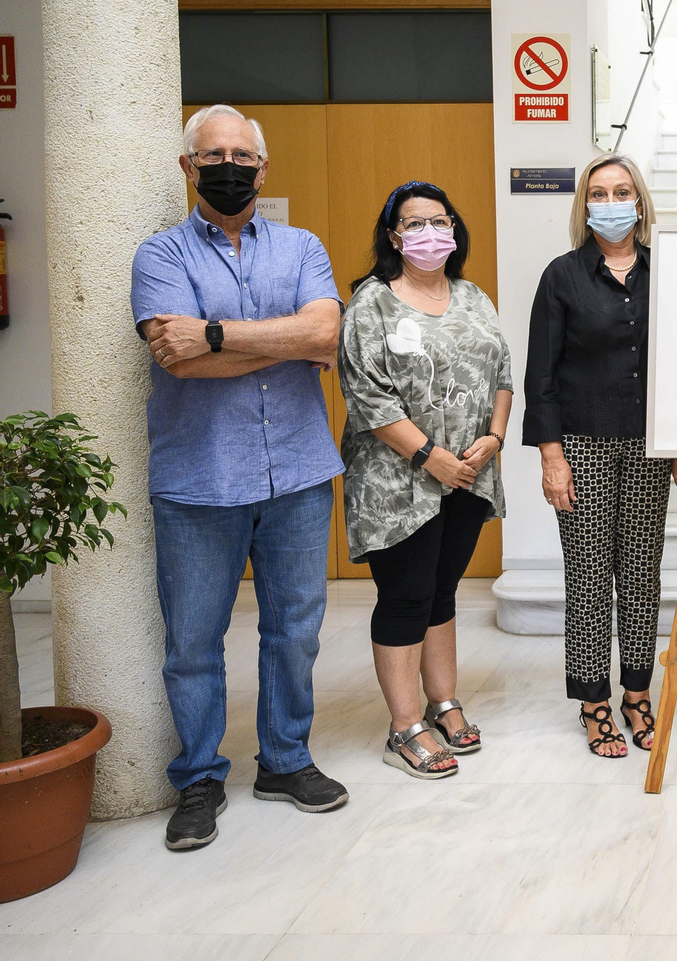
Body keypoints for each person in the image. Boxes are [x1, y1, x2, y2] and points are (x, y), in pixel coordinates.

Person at [131, 104, 348, 851]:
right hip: (198, 480)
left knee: (296, 631)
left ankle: (285, 760)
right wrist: (286, 341)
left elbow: (326, 333)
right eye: (213, 153)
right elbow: (175, 355)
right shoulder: (160, 256)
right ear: (189, 168)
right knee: (193, 642)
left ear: (264, 166)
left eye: (242, 154)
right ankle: (197, 778)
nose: (230, 165)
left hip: (298, 471)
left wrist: (216, 334)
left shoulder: (302, 246)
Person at [524, 154, 677, 759]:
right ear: (585, 205)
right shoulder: (562, 276)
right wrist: (552, 457)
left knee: (642, 576)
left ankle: (635, 694)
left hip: (652, 447)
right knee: (591, 576)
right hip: (583, 446)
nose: (612, 201)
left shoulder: (667, 272)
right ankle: (593, 702)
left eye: (623, 191)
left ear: (641, 202)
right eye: (599, 193)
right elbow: (539, 376)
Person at [338, 181, 512, 780]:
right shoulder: (372, 303)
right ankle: (404, 726)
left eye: (440, 221)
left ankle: (443, 702)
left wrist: (493, 436)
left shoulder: (473, 297)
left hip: (469, 471)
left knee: (443, 592)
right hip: (398, 481)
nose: (429, 233)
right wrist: (430, 456)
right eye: (414, 224)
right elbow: (367, 393)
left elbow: (503, 371)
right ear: (394, 236)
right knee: (406, 596)